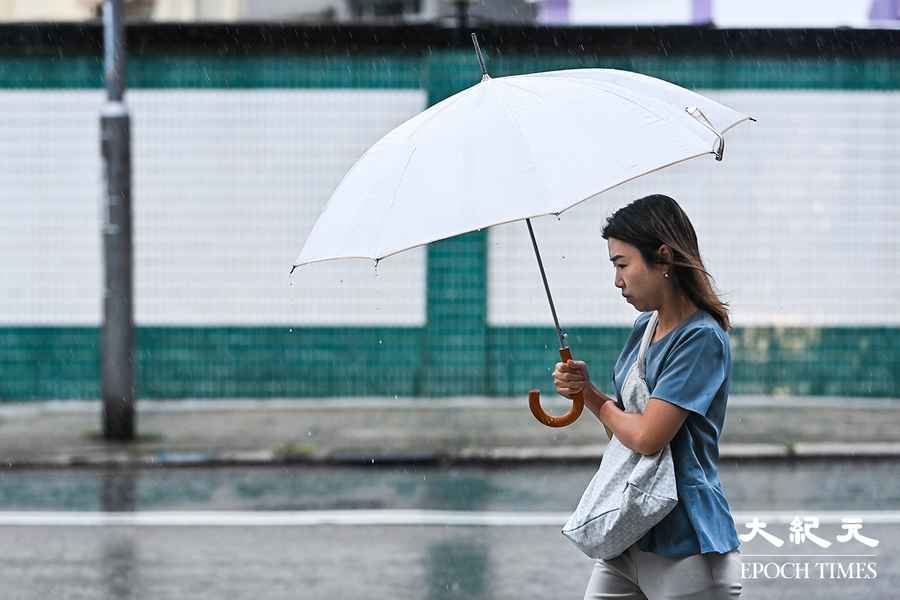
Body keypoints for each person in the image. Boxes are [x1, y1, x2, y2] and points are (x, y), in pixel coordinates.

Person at [553, 194, 744, 600]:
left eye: (622, 265)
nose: (617, 280)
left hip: (687, 549)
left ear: (663, 258)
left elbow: (647, 437)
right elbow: (625, 434)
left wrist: (591, 397)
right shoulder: (644, 328)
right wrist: (591, 393)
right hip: (630, 531)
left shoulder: (700, 339)